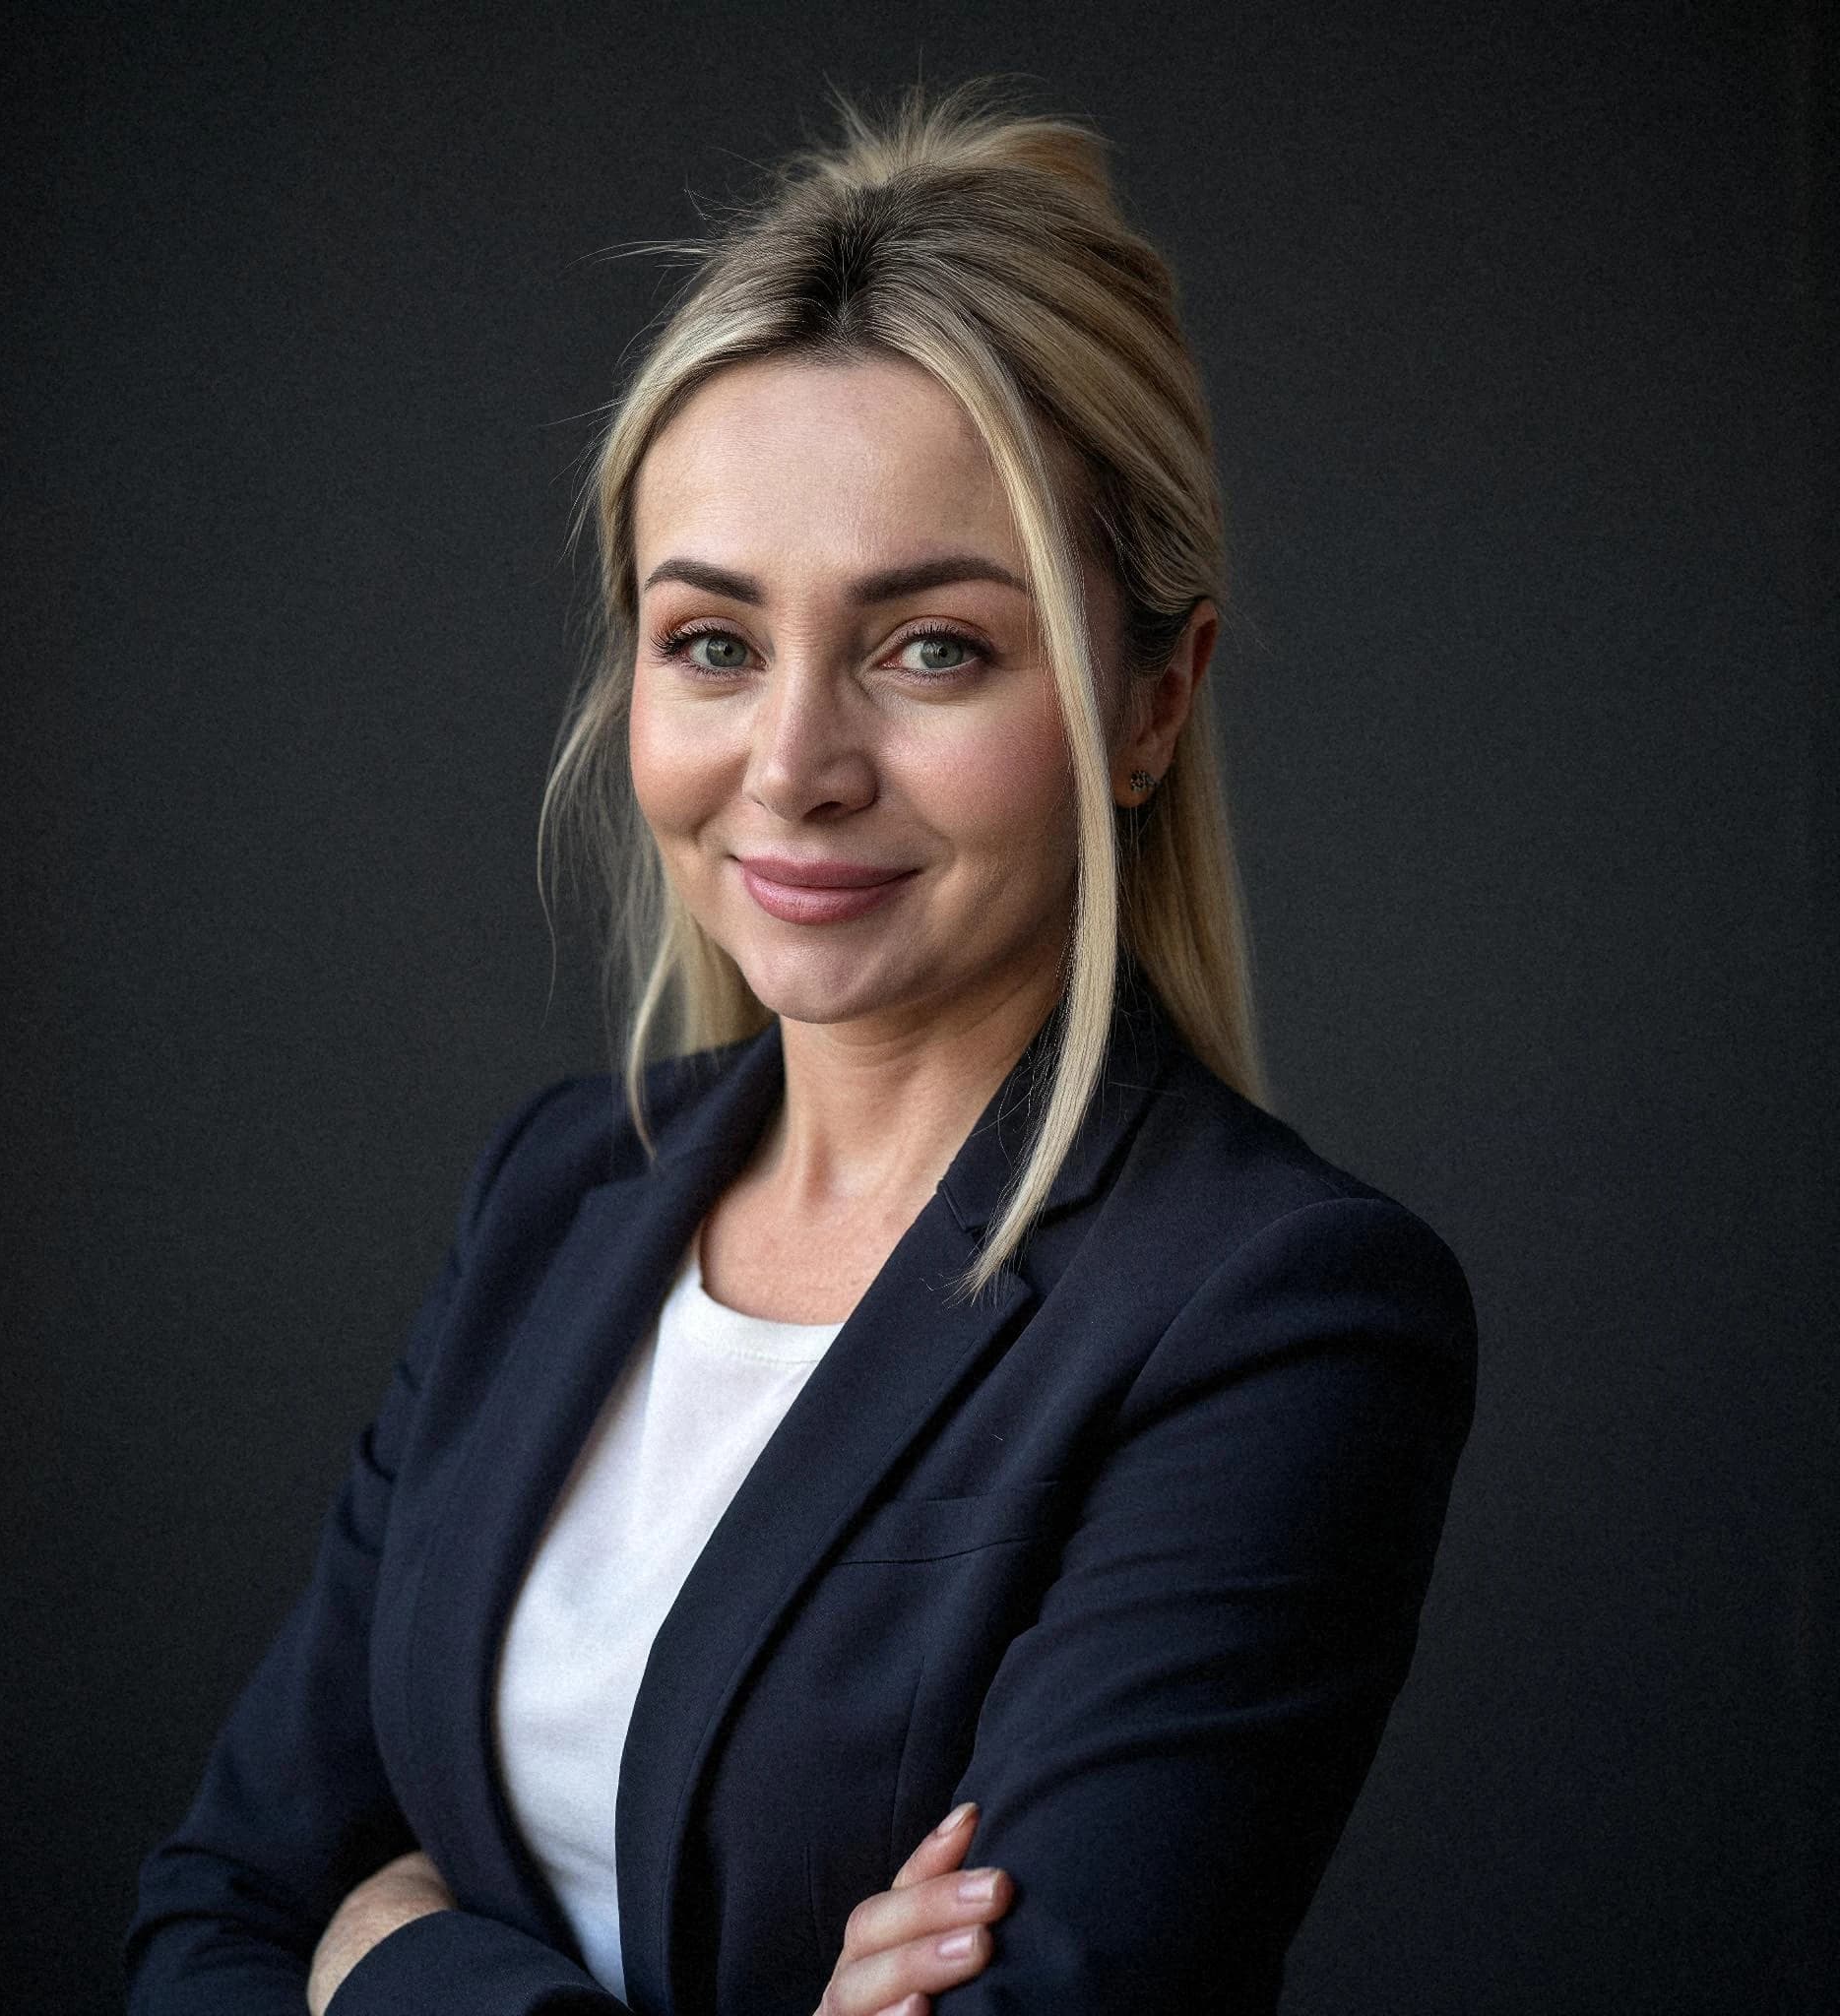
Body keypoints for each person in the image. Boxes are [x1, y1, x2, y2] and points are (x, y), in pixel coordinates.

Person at [124, 80, 1478, 2016]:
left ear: (1150, 703)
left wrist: (399, 1959)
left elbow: (322, 1922)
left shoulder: (1274, 1314)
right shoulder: (558, 1193)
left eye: (933, 647)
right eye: (713, 643)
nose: (793, 766)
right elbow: (218, 1914)